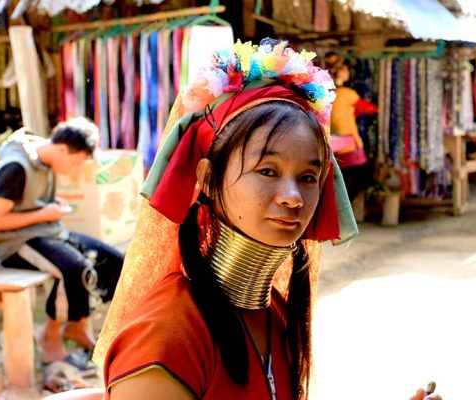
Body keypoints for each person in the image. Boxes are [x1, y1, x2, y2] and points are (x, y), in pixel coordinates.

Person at [98, 38, 440, 400]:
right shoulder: (167, 338)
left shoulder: (275, 313)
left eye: (308, 178)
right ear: (208, 179)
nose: (293, 197)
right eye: (267, 170)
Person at [0, 118, 124, 365]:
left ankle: (75, 325)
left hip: (45, 232)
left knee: (114, 261)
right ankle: (60, 333)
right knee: (74, 268)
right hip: (14, 242)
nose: (73, 170)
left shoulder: (46, 162)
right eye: (75, 163)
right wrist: (44, 214)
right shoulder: (15, 167)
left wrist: (51, 210)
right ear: (61, 149)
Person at [324, 52, 377, 202]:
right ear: (340, 72)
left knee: (343, 178)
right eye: (345, 69)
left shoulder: (326, 93)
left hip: (332, 140)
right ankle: (343, 207)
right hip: (347, 142)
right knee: (361, 178)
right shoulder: (346, 93)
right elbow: (369, 108)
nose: (348, 72)